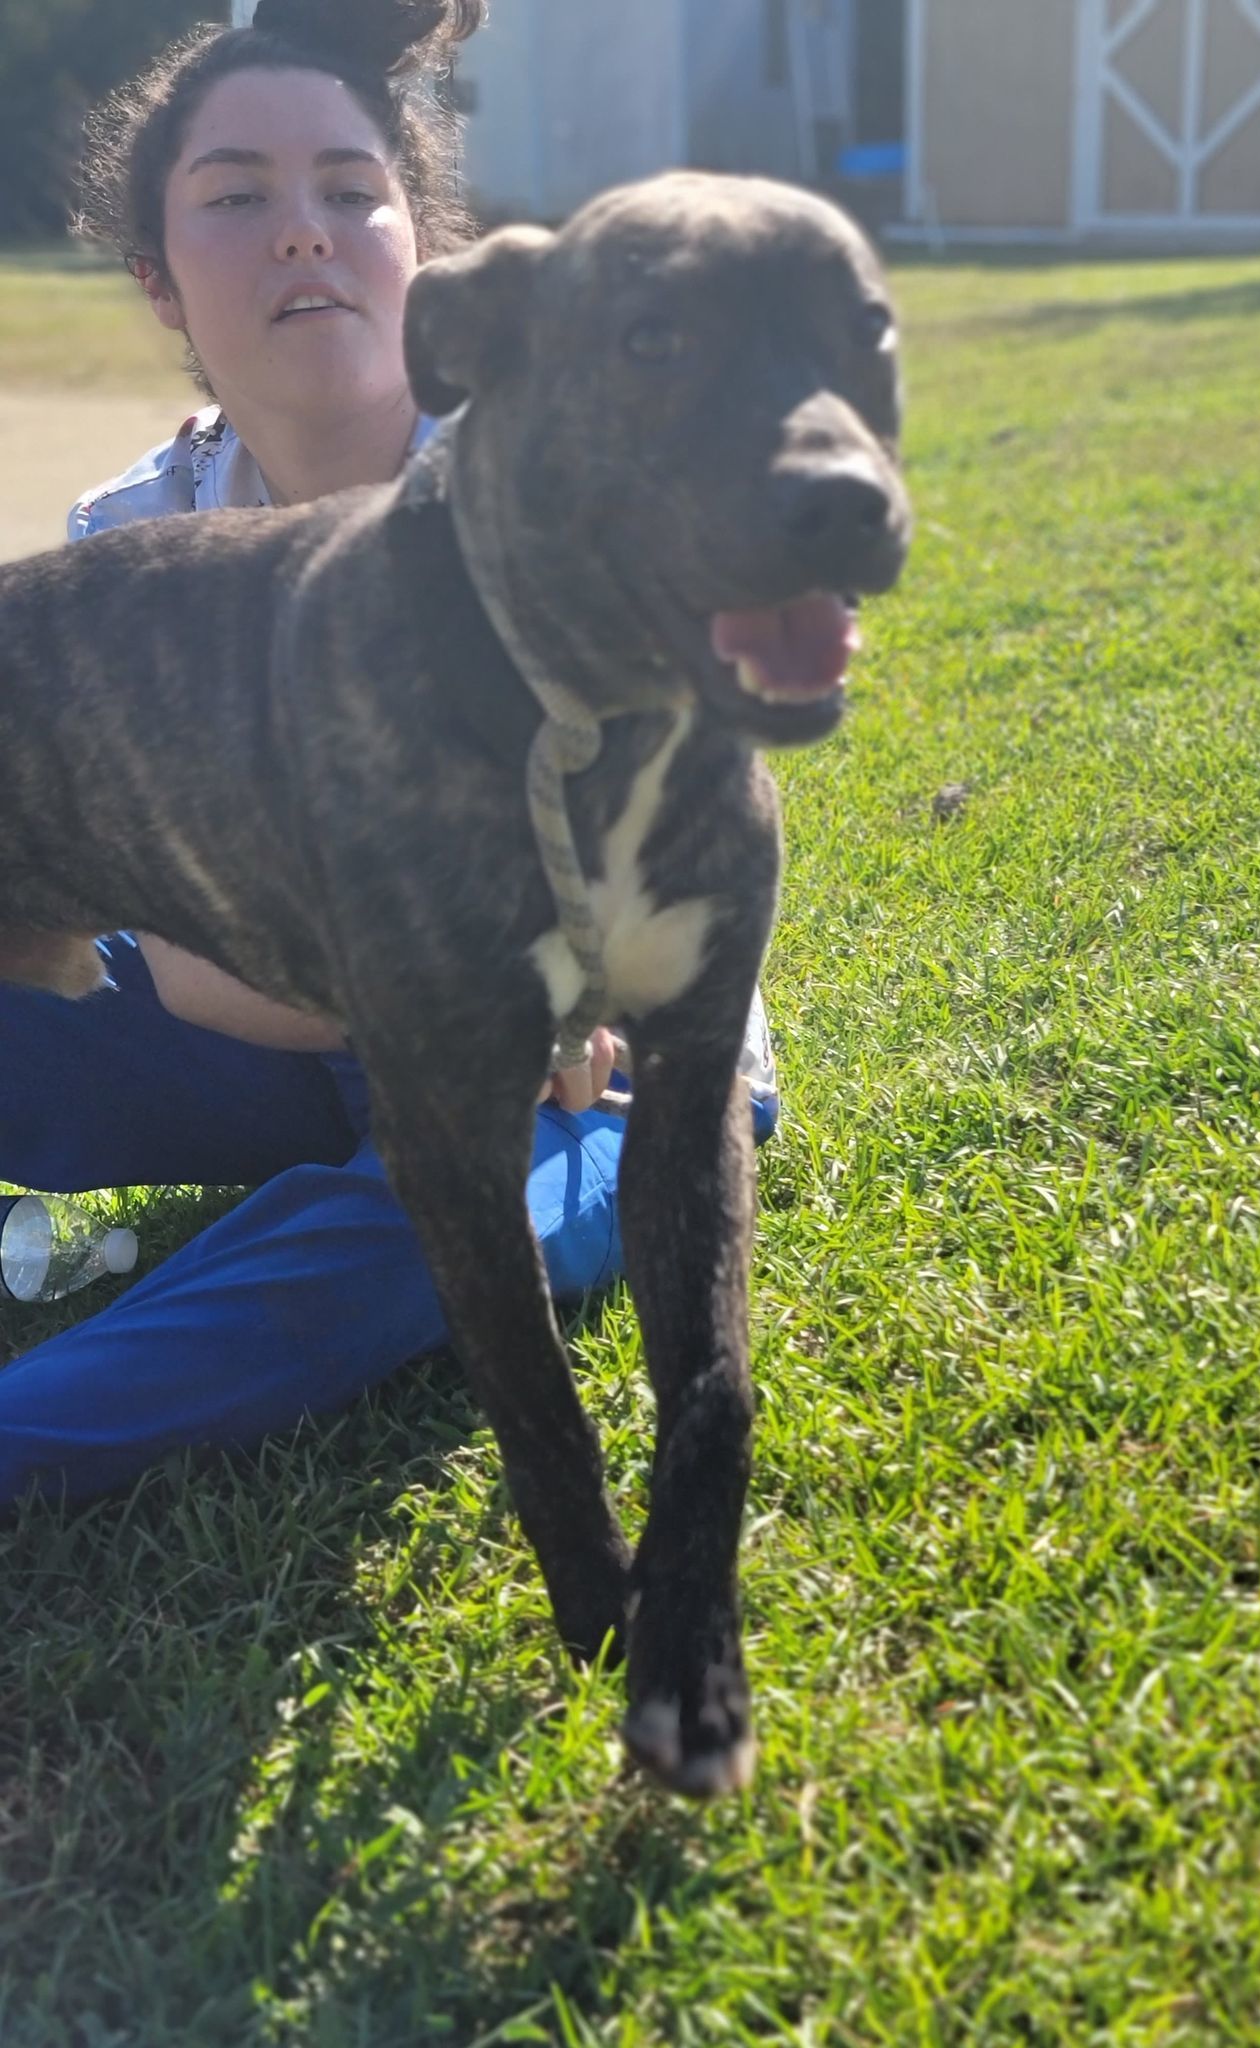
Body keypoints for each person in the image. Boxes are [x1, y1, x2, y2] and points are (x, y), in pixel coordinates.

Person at [0, 0, 779, 1507]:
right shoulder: (131, 541)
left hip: (588, 1078)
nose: (305, 233)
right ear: (161, 281)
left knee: (463, 1219)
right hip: (275, 1032)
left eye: (351, 192)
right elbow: (175, 961)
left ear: (423, 244)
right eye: (237, 197)